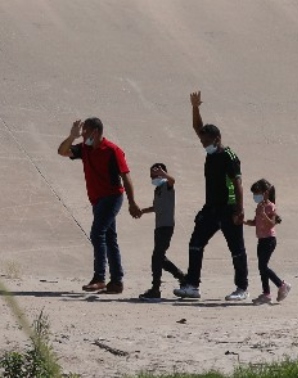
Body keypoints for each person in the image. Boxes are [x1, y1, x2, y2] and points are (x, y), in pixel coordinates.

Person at [173, 91, 249, 301]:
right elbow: (198, 128)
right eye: (202, 142)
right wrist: (195, 108)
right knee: (195, 243)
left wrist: (239, 210)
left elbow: (238, 184)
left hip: (229, 208)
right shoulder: (211, 152)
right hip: (210, 208)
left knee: (236, 249)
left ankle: (242, 288)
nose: (203, 145)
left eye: (206, 142)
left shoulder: (229, 156)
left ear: (217, 139)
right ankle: (192, 286)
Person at [57, 117, 142, 294]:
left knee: (97, 233)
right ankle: (117, 282)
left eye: (85, 131)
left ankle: (99, 278)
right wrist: (72, 136)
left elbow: (125, 176)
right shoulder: (85, 148)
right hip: (97, 200)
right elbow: (62, 151)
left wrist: (132, 202)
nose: (82, 135)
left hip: (112, 197)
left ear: (95, 132)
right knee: (110, 239)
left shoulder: (112, 150)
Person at [138, 163, 186, 301]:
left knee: (157, 257)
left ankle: (155, 289)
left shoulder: (167, 185)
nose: (152, 177)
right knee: (160, 258)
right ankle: (182, 277)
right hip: (159, 226)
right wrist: (142, 211)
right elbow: (156, 207)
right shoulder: (158, 189)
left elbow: (172, 181)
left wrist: (163, 174)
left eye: (155, 174)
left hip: (167, 226)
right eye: (151, 175)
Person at [244, 179, 291, 305]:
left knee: (263, 266)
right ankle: (266, 293)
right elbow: (256, 222)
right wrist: (244, 221)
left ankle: (282, 285)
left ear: (265, 193)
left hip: (269, 240)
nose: (255, 196)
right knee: (261, 267)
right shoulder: (259, 206)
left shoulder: (270, 206)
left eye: (257, 193)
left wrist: (264, 214)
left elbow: (271, 224)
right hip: (261, 239)